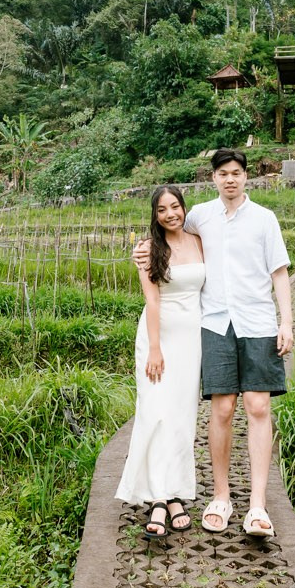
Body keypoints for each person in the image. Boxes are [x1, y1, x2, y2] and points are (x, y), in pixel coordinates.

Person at [132, 149, 292, 537]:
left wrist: (286, 321)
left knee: (258, 406)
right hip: (216, 324)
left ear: (246, 177)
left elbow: (280, 272)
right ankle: (220, 496)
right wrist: (142, 248)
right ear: (214, 178)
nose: (230, 179)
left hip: (257, 323)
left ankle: (257, 506)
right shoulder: (201, 215)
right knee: (221, 410)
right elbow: (168, 236)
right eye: (223, 173)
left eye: (236, 173)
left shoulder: (264, 220)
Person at [114, 186, 203, 536]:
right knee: (155, 414)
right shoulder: (149, 249)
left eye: (176, 206)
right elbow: (152, 301)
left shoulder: (199, 241)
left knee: (182, 417)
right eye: (163, 209)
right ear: (155, 215)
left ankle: (175, 493)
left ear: (184, 208)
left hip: (191, 341)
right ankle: (157, 499)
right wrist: (154, 348)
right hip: (158, 339)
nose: (171, 214)